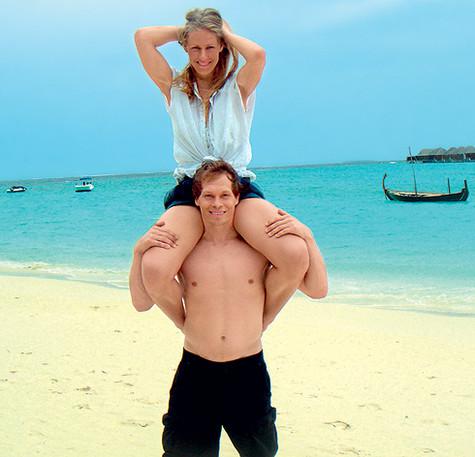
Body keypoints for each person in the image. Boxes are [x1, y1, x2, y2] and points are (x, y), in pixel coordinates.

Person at [129, 160, 328, 457]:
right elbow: (141, 302)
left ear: (237, 197)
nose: (217, 204)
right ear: (196, 199)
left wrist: (307, 235)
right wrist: (138, 252)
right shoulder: (186, 252)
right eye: (208, 196)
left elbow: (317, 289)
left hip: (247, 371)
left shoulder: (258, 251)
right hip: (196, 370)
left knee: (261, 453)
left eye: (224, 195)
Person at [134, 8, 311, 324]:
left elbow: (257, 55)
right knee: (156, 268)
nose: (203, 56)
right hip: (190, 189)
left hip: (236, 187)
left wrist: (222, 32)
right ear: (186, 48)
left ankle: (260, 323)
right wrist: (189, 30)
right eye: (195, 48)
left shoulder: (238, 86)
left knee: (294, 254)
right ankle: (188, 327)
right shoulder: (173, 87)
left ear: (222, 47)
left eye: (210, 47)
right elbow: (143, 38)